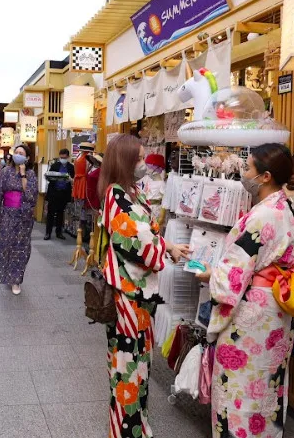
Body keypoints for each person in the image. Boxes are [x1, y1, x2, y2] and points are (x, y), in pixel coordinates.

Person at [188, 143, 294, 438]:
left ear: (265, 176)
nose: (244, 173)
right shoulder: (290, 210)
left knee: (237, 386)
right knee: (267, 386)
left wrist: (211, 275)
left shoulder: (262, 216)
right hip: (277, 311)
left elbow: (235, 271)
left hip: (251, 316)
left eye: (247, 168)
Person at [99, 134, 187, 438]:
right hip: (127, 294)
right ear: (124, 161)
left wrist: (169, 246)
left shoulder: (131, 193)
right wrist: (163, 248)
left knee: (138, 363)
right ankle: (125, 431)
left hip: (138, 292)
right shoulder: (117, 196)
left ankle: (135, 424)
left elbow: (148, 234)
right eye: (138, 159)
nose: (143, 163)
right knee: (127, 364)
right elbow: (138, 244)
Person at [0, 144, 38, 295]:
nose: (18, 155)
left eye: (22, 153)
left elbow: (31, 195)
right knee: (6, 244)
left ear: (27, 158)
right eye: (16, 152)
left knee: (21, 247)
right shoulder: (6, 171)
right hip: (7, 213)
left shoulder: (31, 174)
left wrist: (23, 175)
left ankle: (16, 280)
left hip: (24, 215)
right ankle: (8, 275)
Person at [43, 148, 74, 240]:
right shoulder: (54, 165)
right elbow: (49, 177)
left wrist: (70, 180)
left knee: (61, 213)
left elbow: (73, 179)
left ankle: (59, 232)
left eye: (64, 158)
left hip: (64, 193)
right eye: (61, 157)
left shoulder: (71, 167)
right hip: (54, 192)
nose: (62, 159)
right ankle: (48, 233)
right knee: (51, 213)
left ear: (68, 157)